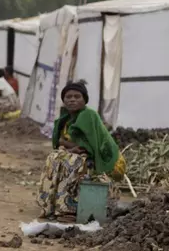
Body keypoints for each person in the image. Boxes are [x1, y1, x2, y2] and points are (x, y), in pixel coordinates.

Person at [37, 81, 125, 220]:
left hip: (99, 159)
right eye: (68, 97)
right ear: (63, 100)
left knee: (70, 162)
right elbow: (61, 142)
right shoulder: (66, 118)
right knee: (54, 158)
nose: (72, 99)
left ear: (85, 100)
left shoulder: (88, 115)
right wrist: (68, 146)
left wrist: (66, 145)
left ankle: (69, 209)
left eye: (77, 96)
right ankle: (52, 205)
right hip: (81, 154)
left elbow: (87, 146)